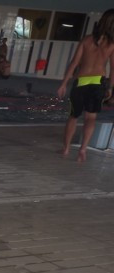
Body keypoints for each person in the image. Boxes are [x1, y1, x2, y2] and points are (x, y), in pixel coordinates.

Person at [58, 9, 114, 162]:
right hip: (98, 82)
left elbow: (74, 63)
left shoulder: (87, 40)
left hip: (81, 81)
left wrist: (64, 83)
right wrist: (110, 88)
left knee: (73, 116)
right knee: (91, 118)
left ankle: (66, 148)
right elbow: (113, 69)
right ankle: (83, 149)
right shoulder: (112, 44)